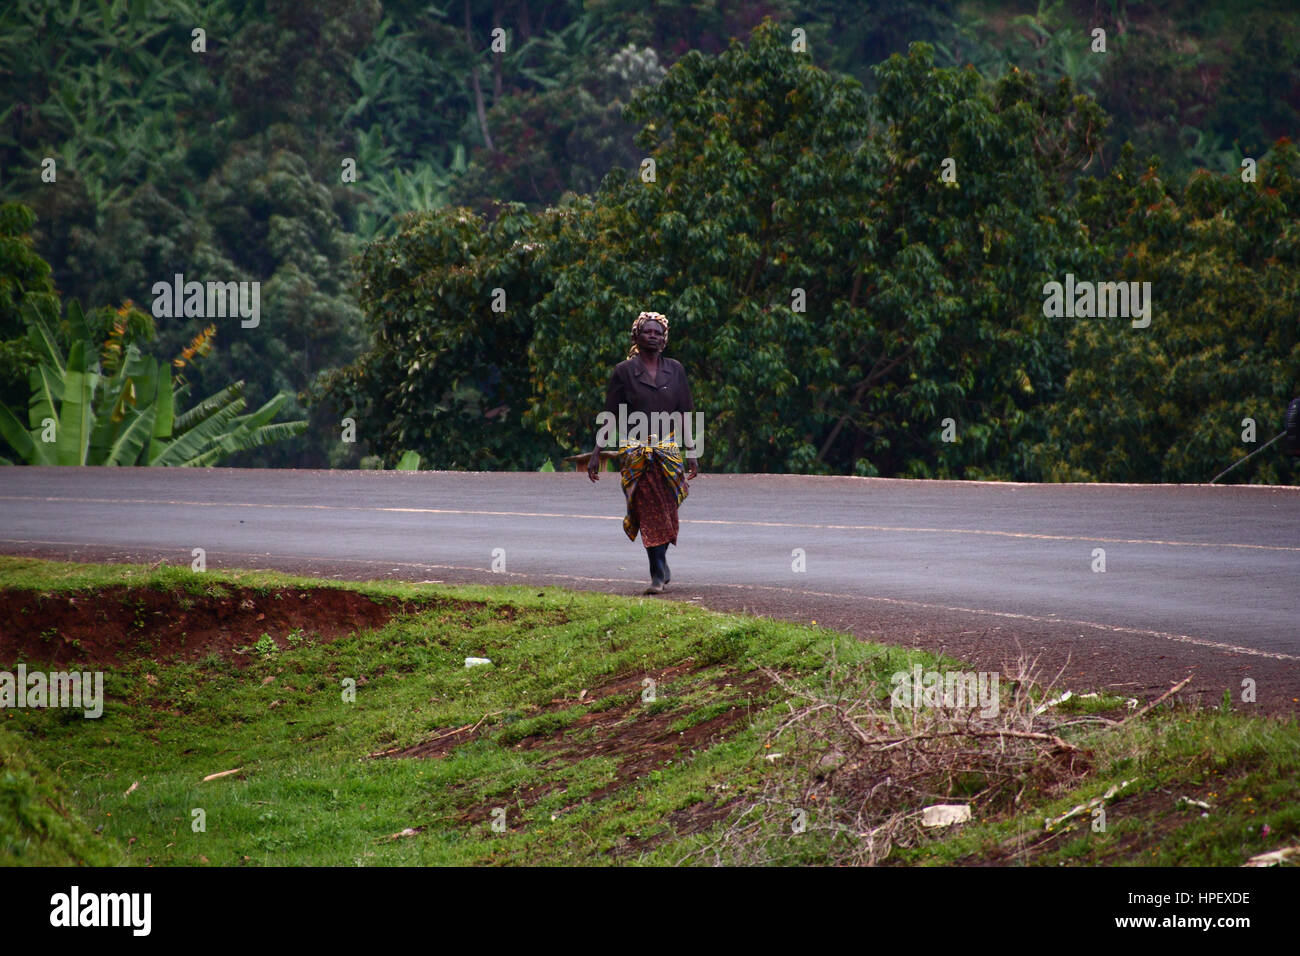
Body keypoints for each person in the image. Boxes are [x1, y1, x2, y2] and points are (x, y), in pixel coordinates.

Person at [588, 311, 699, 593]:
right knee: (646, 510)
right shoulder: (623, 371)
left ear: (664, 340)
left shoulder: (675, 370)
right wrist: (597, 451)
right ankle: (656, 575)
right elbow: (611, 414)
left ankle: (661, 564)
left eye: (658, 333)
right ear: (636, 337)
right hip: (636, 453)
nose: (653, 336)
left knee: (666, 510)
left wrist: (692, 451)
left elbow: (685, 414)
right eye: (648, 332)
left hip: (668, 453)